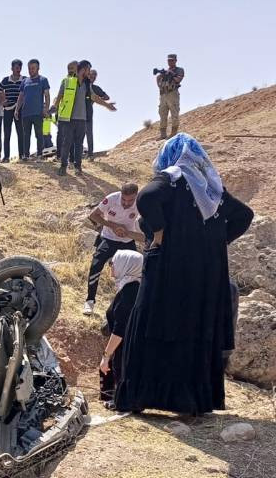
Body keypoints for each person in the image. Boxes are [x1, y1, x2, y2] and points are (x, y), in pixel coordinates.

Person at [114, 134, 254, 416]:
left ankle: (139, 396)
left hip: (167, 270)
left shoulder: (173, 177)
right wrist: (214, 244)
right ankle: (191, 402)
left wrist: (159, 232)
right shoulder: (212, 189)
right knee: (194, 329)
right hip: (204, 277)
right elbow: (244, 216)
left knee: (152, 324)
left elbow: (146, 197)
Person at [83, 183, 144, 315]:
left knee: (136, 271)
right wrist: (113, 226)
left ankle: (130, 305)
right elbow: (93, 215)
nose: (126, 203)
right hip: (108, 238)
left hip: (127, 240)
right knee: (95, 265)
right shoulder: (111, 198)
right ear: (120, 194)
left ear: (136, 196)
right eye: (124, 199)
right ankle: (90, 301)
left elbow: (145, 235)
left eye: (130, 200)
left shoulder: (141, 202)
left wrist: (127, 232)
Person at [54, 60, 115, 176]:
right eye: (88, 70)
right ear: (84, 69)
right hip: (68, 119)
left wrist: (107, 105)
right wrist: (54, 108)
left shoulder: (87, 84)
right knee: (67, 143)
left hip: (82, 119)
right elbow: (59, 96)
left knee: (79, 144)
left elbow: (94, 97)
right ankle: (63, 166)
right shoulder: (67, 81)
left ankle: (78, 167)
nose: (89, 72)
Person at [98, 250, 143, 406]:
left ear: (126, 264)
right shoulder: (132, 287)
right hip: (126, 348)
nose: (110, 266)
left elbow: (120, 329)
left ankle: (121, 401)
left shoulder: (130, 292)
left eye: (113, 263)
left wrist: (106, 356)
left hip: (126, 350)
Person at [14, 59, 50, 159]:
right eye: (29, 68)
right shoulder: (24, 81)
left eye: (33, 68)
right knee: (26, 135)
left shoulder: (43, 80)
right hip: (25, 113)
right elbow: (21, 97)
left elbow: (47, 95)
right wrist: (17, 109)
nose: (31, 70)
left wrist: (46, 109)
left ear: (38, 68)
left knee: (39, 134)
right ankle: (26, 155)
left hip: (38, 112)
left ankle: (40, 154)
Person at [0, 59, 25, 162]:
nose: (18, 69)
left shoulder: (24, 80)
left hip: (20, 109)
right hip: (8, 109)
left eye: (20, 67)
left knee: (20, 132)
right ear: (12, 68)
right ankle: (6, 157)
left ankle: (22, 155)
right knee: (7, 133)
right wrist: (1, 102)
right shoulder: (5, 80)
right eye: (16, 67)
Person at [156, 54, 184, 140]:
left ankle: (173, 133)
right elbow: (158, 79)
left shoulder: (179, 70)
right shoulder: (165, 72)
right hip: (163, 94)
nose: (170, 62)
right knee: (162, 113)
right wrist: (160, 80)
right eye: (169, 60)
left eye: (172, 60)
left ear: (175, 60)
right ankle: (163, 134)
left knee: (174, 113)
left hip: (172, 94)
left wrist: (171, 74)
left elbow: (178, 80)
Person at [84, 69, 109, 159]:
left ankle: (90, 155)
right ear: (87, 75)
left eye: (95, 76)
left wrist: (97, 98)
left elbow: (107, 97)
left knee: (89, 134)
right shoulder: (81, 84)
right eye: (91, 75)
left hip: (88, 112)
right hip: (77, 112)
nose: (93, 77)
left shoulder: (95, 88)